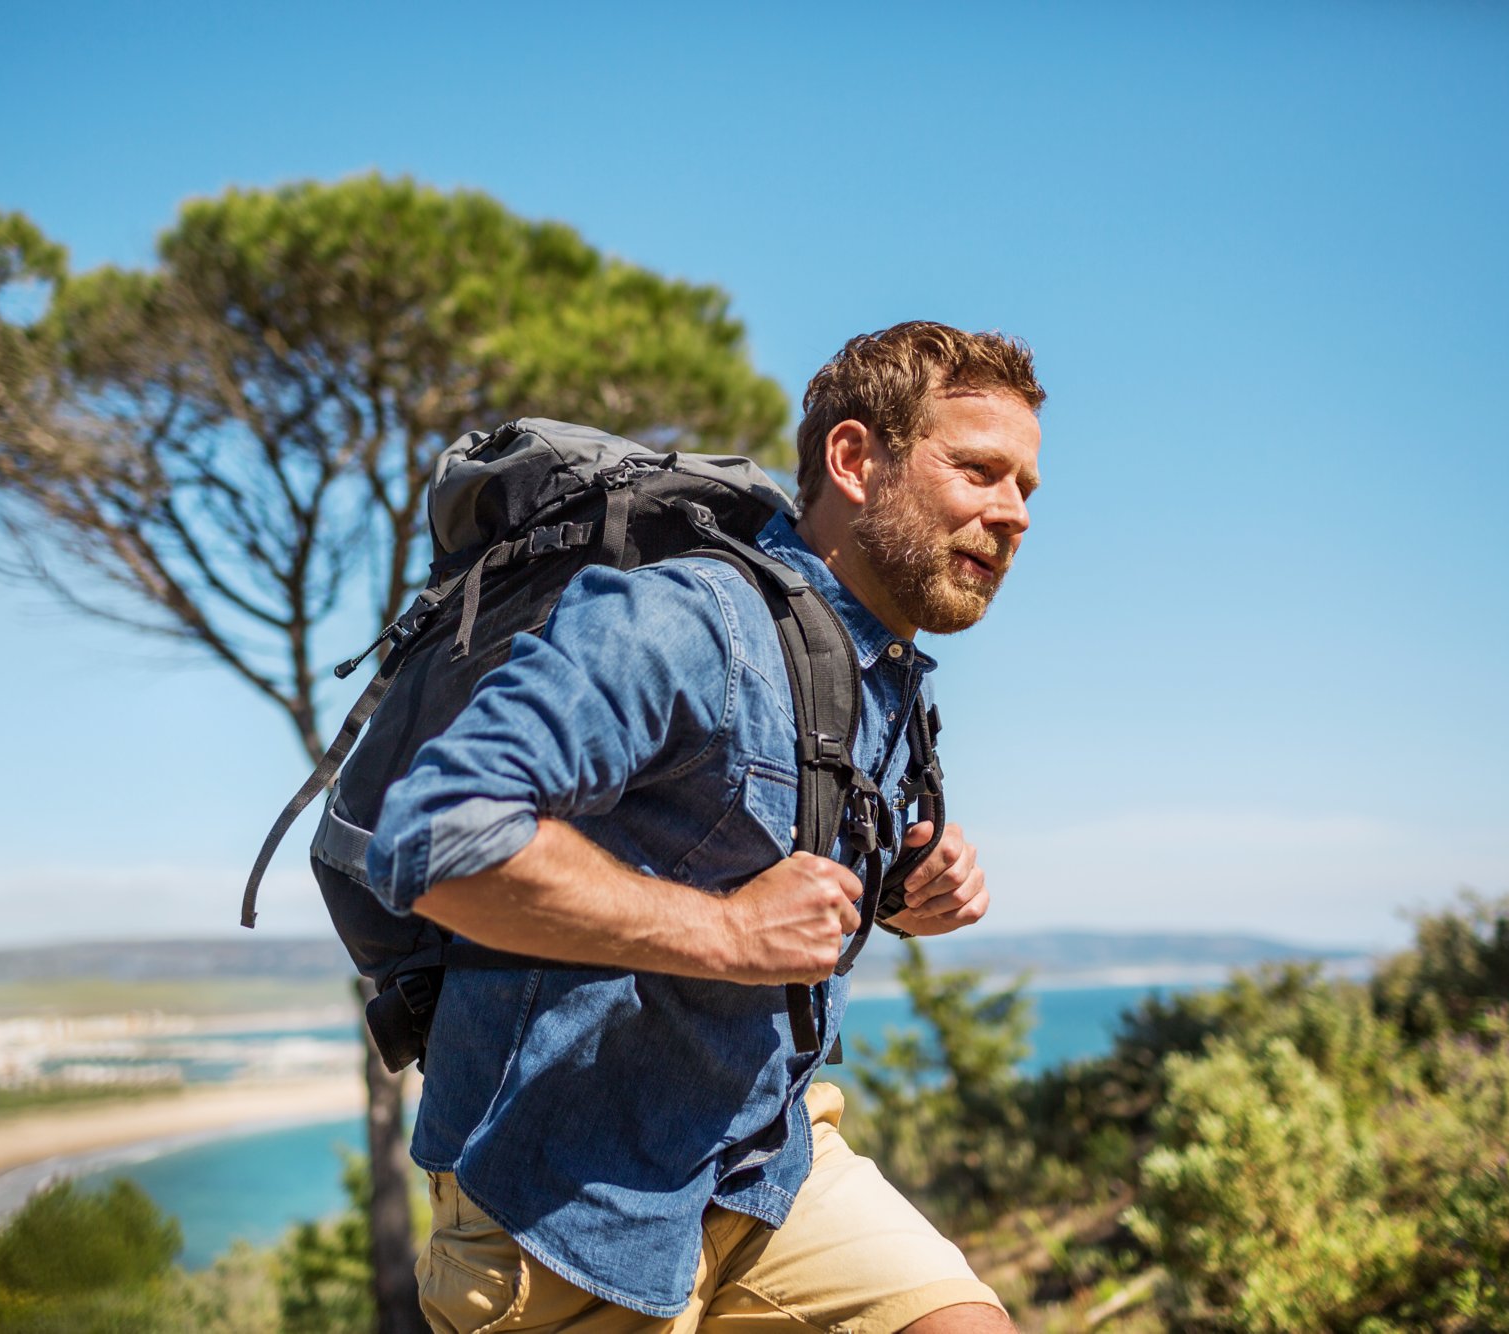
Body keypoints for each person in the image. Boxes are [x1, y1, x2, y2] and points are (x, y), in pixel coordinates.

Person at [366, 321, 1046, 1332]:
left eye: (1025, 488)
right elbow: (434, 835)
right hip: (567, 1204)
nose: (1011, 514)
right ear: (854, 460)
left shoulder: (881, 675)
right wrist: (727, 933)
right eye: (979, 470)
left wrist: (907, 896)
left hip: (769, 1162)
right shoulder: (679, 624)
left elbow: (758, 853)